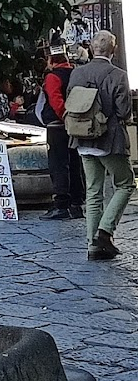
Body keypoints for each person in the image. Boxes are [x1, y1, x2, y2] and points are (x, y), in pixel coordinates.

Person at [67, 29, 135, 259]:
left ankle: (92, 246)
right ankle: (105, 231)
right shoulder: (118, 75)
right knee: (126, 183)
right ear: (113, 50)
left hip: (82, 138)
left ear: (92, 48)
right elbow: (124, 111)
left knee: (93, 191)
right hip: (109, 139)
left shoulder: (77, 73)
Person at [38, 39, 85, 222]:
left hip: (57, 126)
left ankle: (61, 205)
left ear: (51, 59)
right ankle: (76, 203)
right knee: (74, 162)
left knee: (58, 164)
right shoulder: (74, 73)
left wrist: (64, 117)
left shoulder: (52, 77)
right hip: (74, 125)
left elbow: (56, 101)